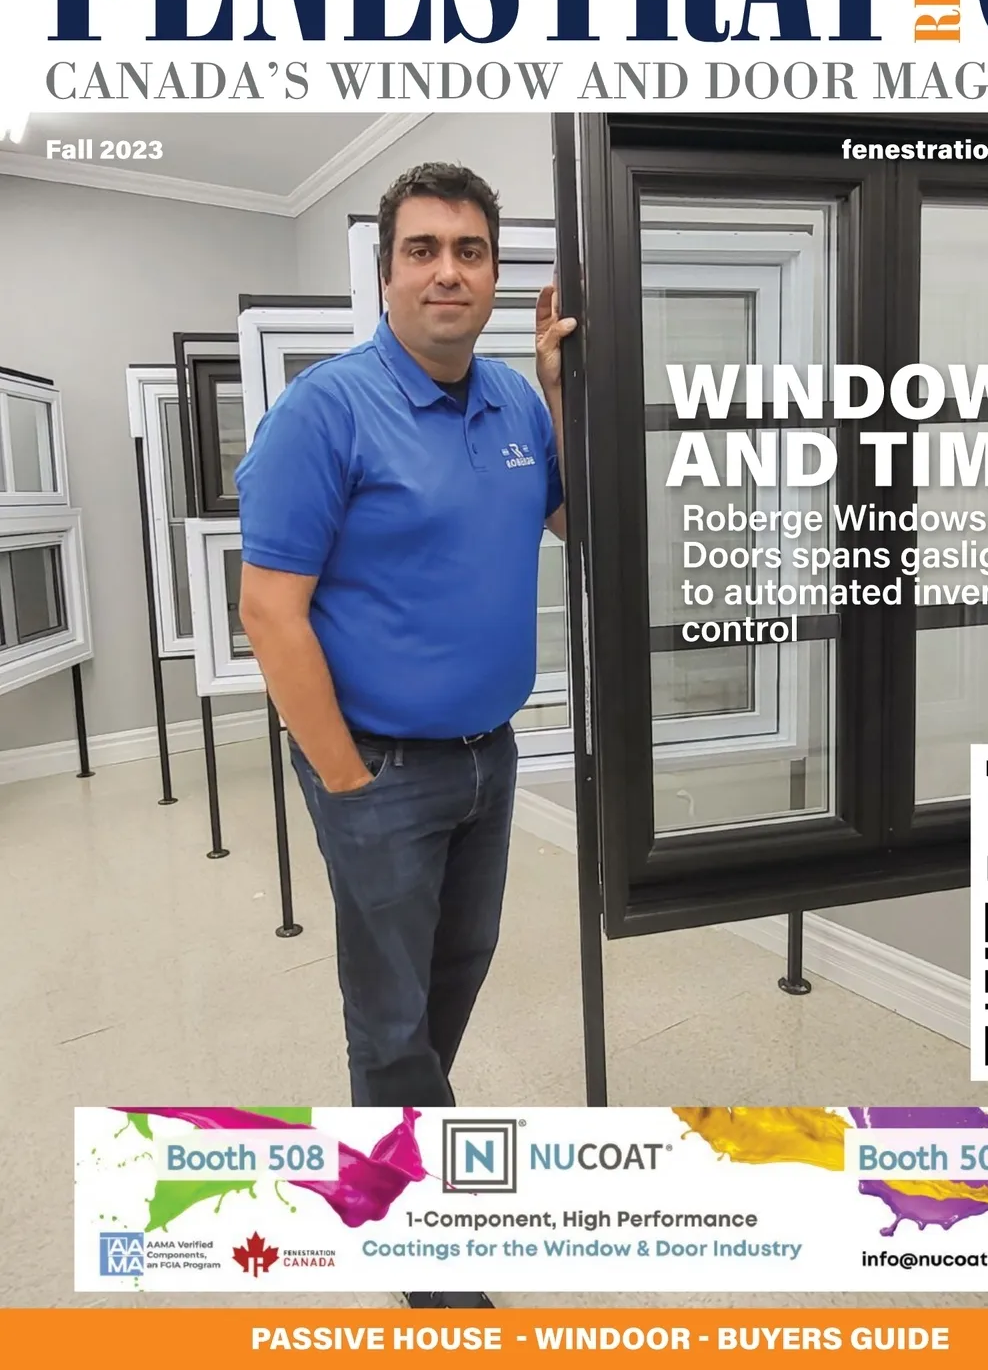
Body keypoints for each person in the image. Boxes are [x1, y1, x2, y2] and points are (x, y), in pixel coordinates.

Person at [235, 162, 574, 1310]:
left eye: (469, 251)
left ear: (493, 276)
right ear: (386, 274)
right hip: (376, 766)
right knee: (389, 1015)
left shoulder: (514, 404)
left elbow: (569, 517)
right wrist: (345, 780)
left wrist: (557, 389)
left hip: (488, 757)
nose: (447, 272)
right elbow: (269, 611)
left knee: (452, 974)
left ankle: (394, 1156)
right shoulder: (325, 411)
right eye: (422, 249)